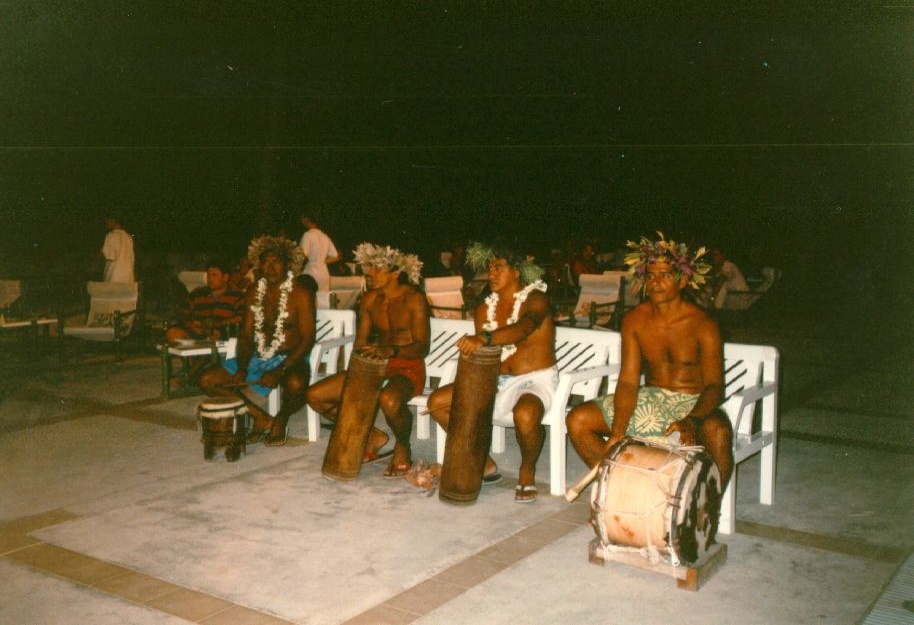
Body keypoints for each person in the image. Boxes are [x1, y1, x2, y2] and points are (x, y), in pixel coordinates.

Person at [565, 232, 733, 493]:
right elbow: (629, 380)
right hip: (650, 399)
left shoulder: (703, 324)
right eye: (650, 275)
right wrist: (618, 431)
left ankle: (703, 511)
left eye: (665, 275)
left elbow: (714, 386)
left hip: (692, 402)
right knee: (578, 419)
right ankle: (627, 490)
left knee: (719, 433)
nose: (655, 282)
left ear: (684, 280)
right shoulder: (635, 320)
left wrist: (693, 420)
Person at [427, 241, 557, 503]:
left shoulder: (536, 298)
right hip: (494, 379)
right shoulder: (485, 308)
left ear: (517, 271)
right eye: (489, 269)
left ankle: (527, 469)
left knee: (526, 413)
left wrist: (484, 338)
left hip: (534, 380)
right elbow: (483, 354)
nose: (492, 274)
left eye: (499, 267)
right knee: (437, 403)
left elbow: (524, 328)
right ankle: (483, 461)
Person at [306, 242, 429, 477]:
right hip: (375, 365)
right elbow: (360, 343)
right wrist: (359, 368)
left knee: (390, 400)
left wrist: (390, 351)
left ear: (395, 272)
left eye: (377, 268)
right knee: (315, 396)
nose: (370, 272)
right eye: (369, 267)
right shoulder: (370, 300)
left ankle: (403, 446)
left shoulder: (414, 298)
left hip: (407, 365)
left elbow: (422, 347)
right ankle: (374, 436)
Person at [198, 236, 316, 446]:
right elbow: (245, 334)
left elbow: (308, 338)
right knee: (207, 379)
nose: (270, 268)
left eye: (276, 262)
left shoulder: (300, 292)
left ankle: (281, 417)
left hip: (290, 356)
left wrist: (279, 370)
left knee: (296, 383)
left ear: (288, 264)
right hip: (257, 355)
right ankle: (260, 417)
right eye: (265, 262)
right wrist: (242, 366)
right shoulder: (253, 292)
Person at [166, 260, 245, 344]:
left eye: (214, 275)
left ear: (225, 277)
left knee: (220, 335)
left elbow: (241, 318)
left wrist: (217, 325)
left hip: (224, 333)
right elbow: (182, 314)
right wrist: (191, 324)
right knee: (172, 333)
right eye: (208, 275)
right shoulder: (197, 293)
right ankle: (196, 353)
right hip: (199, 333)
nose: (210, 279)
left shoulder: (237, 295)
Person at [299, 211, 341, 292]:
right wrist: (321, 261)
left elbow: (301, 256)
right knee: (323, 300)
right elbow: (336, 257)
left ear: (306, 219)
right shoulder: (325, 236)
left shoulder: (307, 235)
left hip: (311, 274)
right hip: (324, 274)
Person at [101, 216, 135, 282]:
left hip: (114, 273)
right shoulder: (128, 237)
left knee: (111, 291)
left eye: (107, 222)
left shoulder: (111, 235)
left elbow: (109, 256)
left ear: (112, 220)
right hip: (128, 273)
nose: (106, 224)